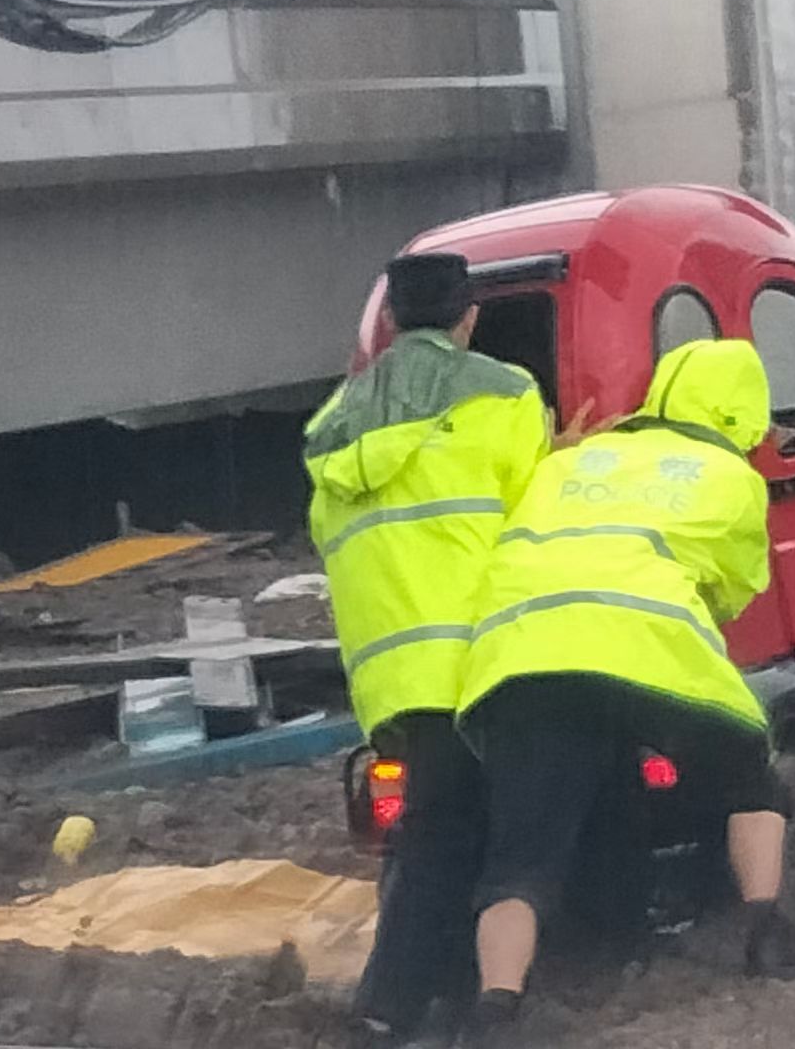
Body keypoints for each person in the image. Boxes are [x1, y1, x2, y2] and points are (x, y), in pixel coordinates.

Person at [455, 338, 795, 1047]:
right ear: (747, 415)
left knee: (523, 853)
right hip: (646, 652)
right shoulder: (730, 476)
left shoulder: (571, 461)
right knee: (750, 774)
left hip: (521, 659)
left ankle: (496, 1010)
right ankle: (767, 933)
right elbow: (734, 591)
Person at [303, 252, 552, 1046]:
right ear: (468, 316)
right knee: (461, 835)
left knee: (435, 826)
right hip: (478, 654)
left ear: (392, 323)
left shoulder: (332, 423)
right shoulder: (506, 393)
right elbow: (536, 513)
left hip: (388, 673)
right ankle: (392, 1012)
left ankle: (423, 998)